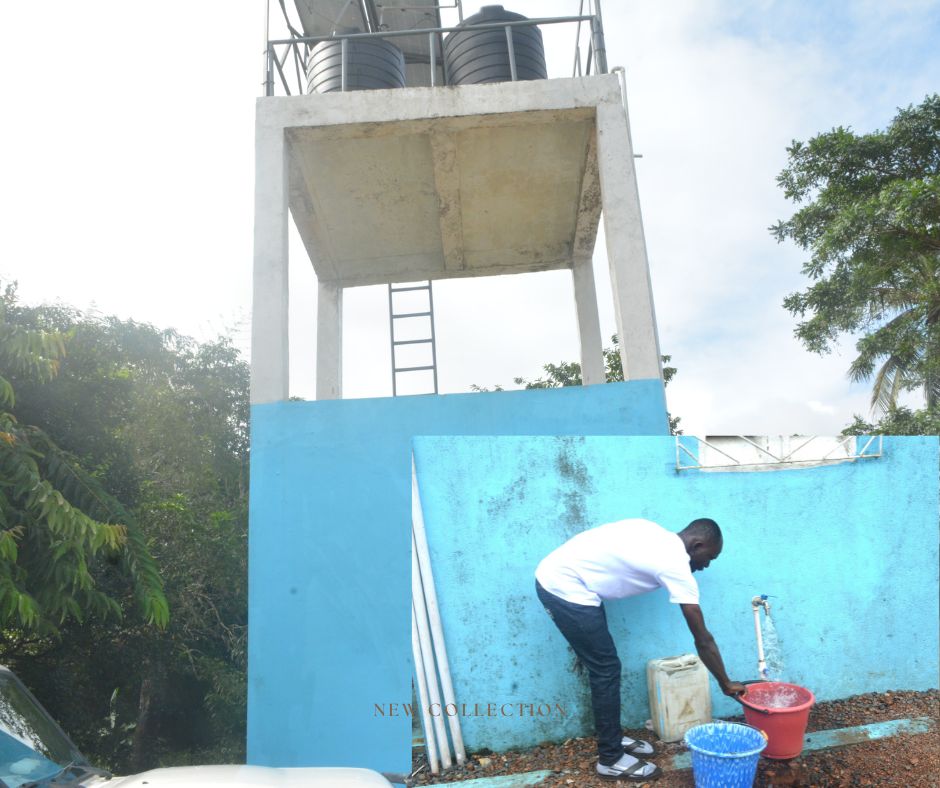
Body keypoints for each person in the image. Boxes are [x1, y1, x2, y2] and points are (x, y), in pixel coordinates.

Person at [534, 517, 746, 782]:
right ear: (697, 544)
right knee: (606, 668)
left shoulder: (654, 530)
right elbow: (702, 638)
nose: (705, 566)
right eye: (709, 558)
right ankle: (610, 759)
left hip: (574, 580)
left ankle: (612, 737)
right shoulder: (675, 563)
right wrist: (725, 683)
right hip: (563, 586)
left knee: (605, 666)